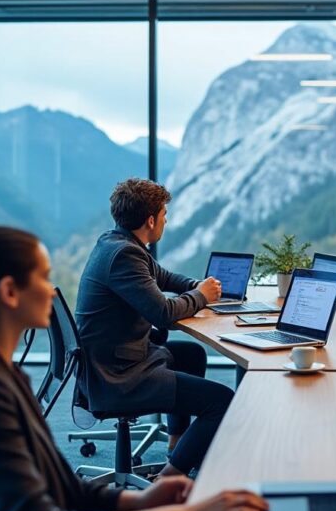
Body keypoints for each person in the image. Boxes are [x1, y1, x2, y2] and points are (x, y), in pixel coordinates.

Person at [0, 226, 268, 511]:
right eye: (43, 276)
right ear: (9, 292)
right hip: (117, 379)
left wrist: (144, 501)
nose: (52, 290)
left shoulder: (1, 376)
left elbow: (66, 490)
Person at [76, 178, 231, 478]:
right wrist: (201, 297)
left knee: (191, 355)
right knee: (221, 401)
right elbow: (164, 314)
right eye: (164, 215)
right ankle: (169, 478)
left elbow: (163, 277)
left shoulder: (118, 242)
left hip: (115, 359)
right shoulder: (124, 255)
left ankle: (177, 446)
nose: (166, 220)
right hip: (117, 376)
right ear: (151, 220)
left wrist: (195, 287)